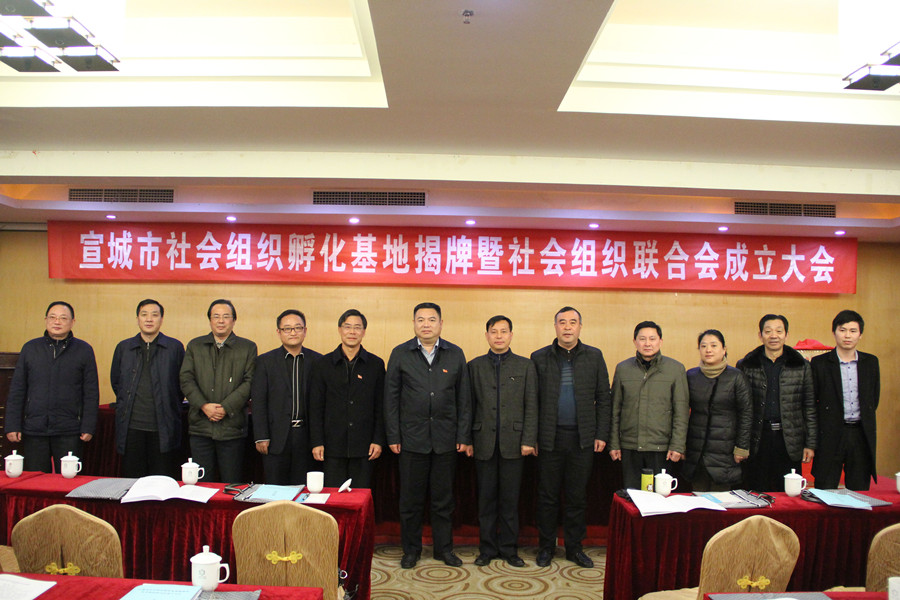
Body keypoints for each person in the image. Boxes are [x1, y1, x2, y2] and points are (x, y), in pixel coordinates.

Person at [384, 302, 471, 569]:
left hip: (446, 440)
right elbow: (391, 399)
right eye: (420, 319)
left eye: (431, 320)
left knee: (443, 501)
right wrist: (393, 435)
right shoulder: (400, 353)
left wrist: (463, 435)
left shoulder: (455, 353)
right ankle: (411, 550)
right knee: (410, 501)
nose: (426, 324)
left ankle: (444, 549)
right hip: (412, 439)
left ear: (440, 324)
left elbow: (464, 398)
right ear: (414, 324)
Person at [530, 306, 610, 569]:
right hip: (549, 438)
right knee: (547, 497)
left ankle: (574, 548)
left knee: (577, 497)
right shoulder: (539, 357)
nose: (567, 327)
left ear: (580, 327)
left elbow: (604, 398)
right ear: (555, 327)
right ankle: (546, 547)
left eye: (572, 322)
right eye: (562, 322)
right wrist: (533, 437)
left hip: (582, 439)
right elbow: (532, 400)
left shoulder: (594, 356)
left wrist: (601, 433)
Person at [467, 315, 538, 568]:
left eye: (503, 331)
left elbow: (532, 405)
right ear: (486, 335)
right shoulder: (474, 366)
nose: (499, 336)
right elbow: (468, 406)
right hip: (482, 442)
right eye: (494, 331)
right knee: (486, 501)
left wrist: (529, 439)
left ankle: (509, 549)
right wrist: (467, 440)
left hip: (515, 444)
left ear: (511, 335)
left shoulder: (525, 366)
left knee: (510, 501)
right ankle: (486, 549)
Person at [5, 301, 99, 473]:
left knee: (69, 478)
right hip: (34, 428)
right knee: (35, 479)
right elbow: (17, 389)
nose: (57, 322)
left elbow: (91, 392)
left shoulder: (84, 350)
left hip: (69, 429)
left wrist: (88, 426)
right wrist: (12, 424)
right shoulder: (30, 348)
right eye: (52, 317)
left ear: (72, 322)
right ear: (45, 320)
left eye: (63, 318)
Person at [737, 314, 816, 492]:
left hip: (789, 439)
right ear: (760, 335)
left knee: (787, 493)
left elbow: (809, 406)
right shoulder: (747, 365)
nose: (774, 336)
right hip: (757, 438)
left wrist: (810, 444)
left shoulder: (801, 366)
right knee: (756, 491)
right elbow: (741, 408)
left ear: (786, 335)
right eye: (768, 331)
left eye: (779, 331)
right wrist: (741, 443)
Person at [180, 299, 256, 483]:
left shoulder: (247, 347)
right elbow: (186, 379)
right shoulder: (195, 346)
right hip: (201, 426)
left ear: (234, 320)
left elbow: (250, 382)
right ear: (210, 320)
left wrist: (225, 407)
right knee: (201, 483)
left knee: (231, 482)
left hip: (232, 427)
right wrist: (204, 406)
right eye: (216, 316)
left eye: (226, 316)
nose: (221, 321)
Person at [309, 309, 385, 488]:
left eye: (357, 327)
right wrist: (317, 442)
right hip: (331, 446)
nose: (352, 332)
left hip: (365, 446)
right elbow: (315, 407)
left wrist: (378, 440)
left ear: (364, 332)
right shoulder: (323, 364)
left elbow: (381, 406)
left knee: (361, 495)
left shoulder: (375, 364)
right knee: (333, 496)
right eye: (347, 327)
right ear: (339, 330)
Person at [609, 321, 689, 490]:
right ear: (635, 341)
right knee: (631, 496)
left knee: (659, 497)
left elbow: (681, 412)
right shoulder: (623, 369)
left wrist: (677, 445)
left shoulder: (675, 369)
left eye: (652, 339)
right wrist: (614, 443)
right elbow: (615, 409)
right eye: (642, 339)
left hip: (661, 448)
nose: (647, 343)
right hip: (629, 446)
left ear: (660, 341)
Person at [110, 299, 186, 478]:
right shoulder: (124, 348)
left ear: (161, 319)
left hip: (163, 427)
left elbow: (182, 384)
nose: (149, 319)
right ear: (137, 319)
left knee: (162, 480)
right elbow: (117, 382)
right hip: (131, 427)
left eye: (154, 315)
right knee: (132, 480)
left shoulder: (174, 348)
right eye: (144, 315)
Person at [811, 310, 880, 490]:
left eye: (853, 331)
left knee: (859, 489)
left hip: (860, 433)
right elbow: (812, 401)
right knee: (825, 488)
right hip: (830, 433)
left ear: (860, 334)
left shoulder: (871, 362)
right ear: (834, 332)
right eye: (842, 330)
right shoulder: (819, 363)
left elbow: (873, 399)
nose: (847, 335)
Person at [251, 309, 321, 485]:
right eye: (287, 328)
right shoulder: (265, 361)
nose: (293, 332)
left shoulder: (318, 361)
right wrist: (261, 436)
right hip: (276, 437)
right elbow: (258, 401)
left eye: (298, 328)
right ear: (279, 332)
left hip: (306, 436)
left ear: (305, 331)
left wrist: (319, 440)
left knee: (304, 489)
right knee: (275, 489)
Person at [683, 329, 752, 492]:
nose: (708, 350)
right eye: (703, 346)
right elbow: (682, 411)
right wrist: (681, 445)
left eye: (714, 345)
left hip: (726, 449)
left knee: (722, 500)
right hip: (696, 448)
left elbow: (746, 413)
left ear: (724, 349)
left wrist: (742, 447)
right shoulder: (691, 375)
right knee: (698, 499)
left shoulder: (736, 377)